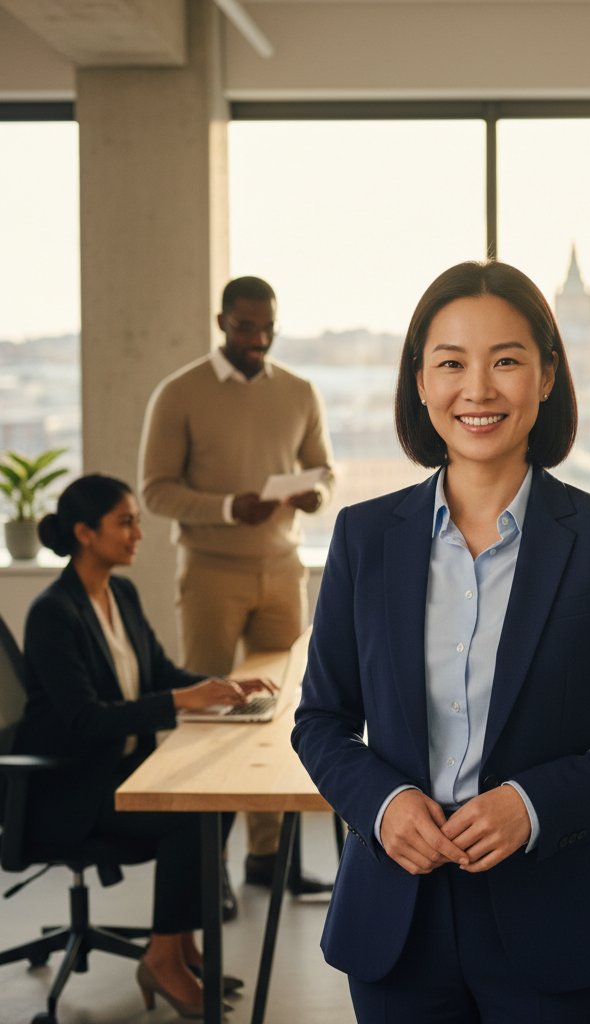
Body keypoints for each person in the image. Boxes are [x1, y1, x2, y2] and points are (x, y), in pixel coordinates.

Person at [291, 260, 590, 1022]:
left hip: (558, 914)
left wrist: (532, 805)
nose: (477, 389)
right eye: (451, 363)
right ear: (419, 382)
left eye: (506, 360)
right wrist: (383, 804)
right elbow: (320, 722)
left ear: (547, 377)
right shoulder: (364, 537)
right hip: (395, 917)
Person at [15, 474, 271, 1018]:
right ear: (85, 533)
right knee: (188, 814)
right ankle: (162, 959)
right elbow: (85, 719)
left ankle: (179, 944)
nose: (138, 534)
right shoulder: (52, 614)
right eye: (125, 522)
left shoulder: (119, 593)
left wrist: (222, 688)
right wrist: (185, 698)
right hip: (68, 789)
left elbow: (158, 673)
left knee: (210, 795)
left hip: (119, 770)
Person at [139, 275, 335, 896]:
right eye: (247, 326)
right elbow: (154, 489)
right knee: (210, 710)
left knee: (280, 713)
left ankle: (267, 859)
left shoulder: (300, 391)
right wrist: (229, 508)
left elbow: (326, 469)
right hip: (211, 573)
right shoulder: (180, 393)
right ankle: (205, 867)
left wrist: (316, 494)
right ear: (222, 322)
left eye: (269, 326)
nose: (259, 337)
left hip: (282, 571)